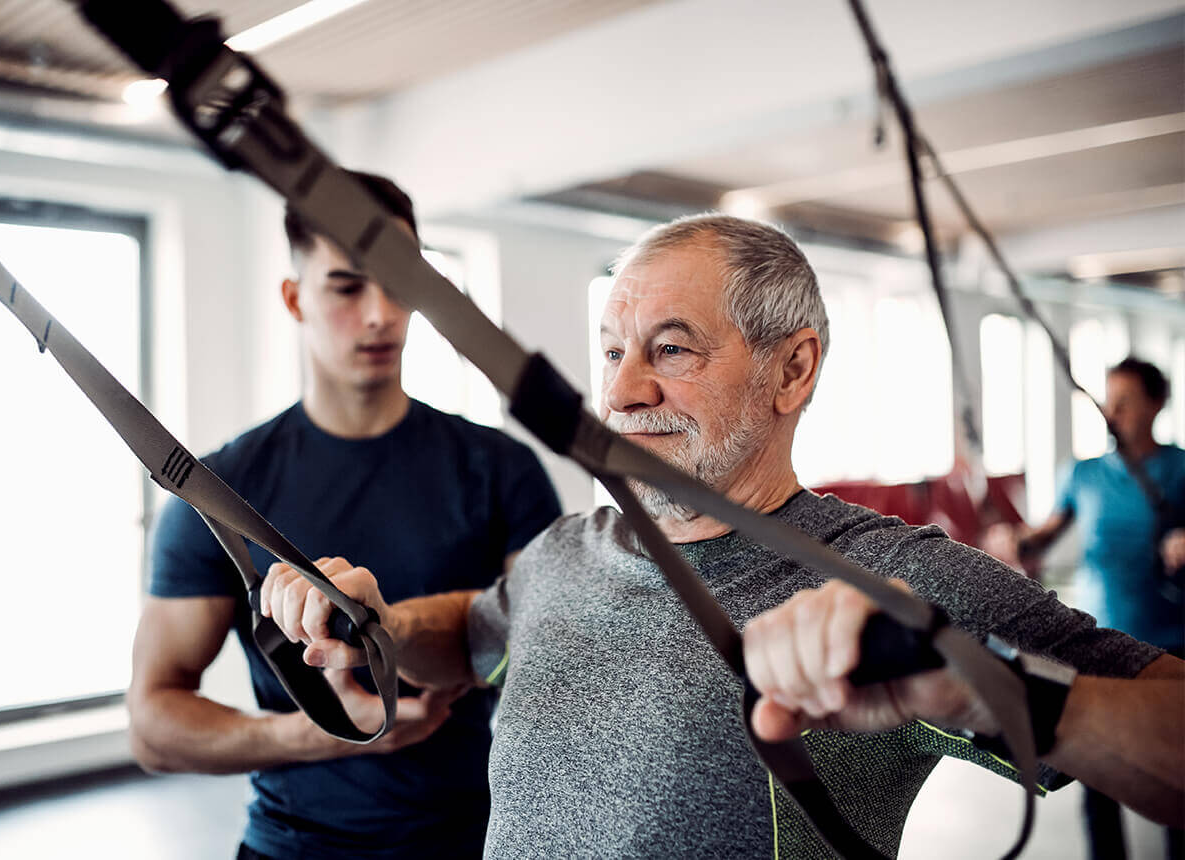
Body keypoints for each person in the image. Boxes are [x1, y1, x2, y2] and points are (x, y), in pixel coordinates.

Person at [261, 214, 1184, 858]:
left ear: (793, 370)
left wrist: (989, 689)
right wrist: (374, 623)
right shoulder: (564, 551)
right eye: (613, 351)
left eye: (671, 349)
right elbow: (470, 633)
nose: (622, 395)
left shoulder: (890, 580)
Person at [128, 172, 562, 860]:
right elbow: (153, 724)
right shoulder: (219, 492)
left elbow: (554, 651)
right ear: (295, 297)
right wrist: (316, 732)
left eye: (399, 282)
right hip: (294, 845)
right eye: (347, 286)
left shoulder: (500, 469)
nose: (380, 313)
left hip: (476, 842)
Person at [1016, 356, 1185, 860]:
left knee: (1175, 778)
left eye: (1127, 402)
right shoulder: (1083, 474)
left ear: (1157, 404)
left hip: (1170, 646)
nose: (1113, 413)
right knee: (1099, 779)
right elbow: (1044, 535)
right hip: (1099, 647)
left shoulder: (1180, 468)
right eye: (1109, 402)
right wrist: (1018, 542)